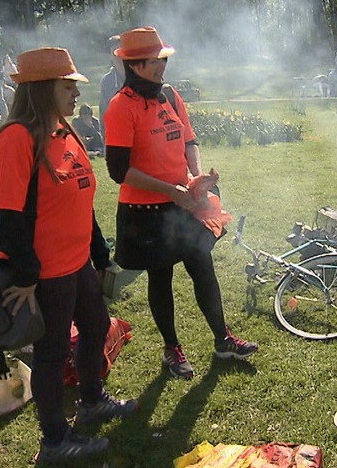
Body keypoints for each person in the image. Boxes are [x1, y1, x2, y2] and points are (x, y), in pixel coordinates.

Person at [0, 46, 137, 464]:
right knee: (51, 354)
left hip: (77, 264)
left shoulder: (65, 132)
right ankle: (54, 440)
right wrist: (28, 274)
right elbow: (7, 218)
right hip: (45, 273)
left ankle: (91, 401)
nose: (75, 93)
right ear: (41, 88)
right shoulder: (16, 139)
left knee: (97, 327)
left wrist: (98, 253)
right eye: (67, 85)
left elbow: (80, 200)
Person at [104, 26, 258, 380]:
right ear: (135, 64)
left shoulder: (170, 96)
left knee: (202, 264)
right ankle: (171, 348)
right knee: (161, 276)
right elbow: (119, 170)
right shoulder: (120, 107)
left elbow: (189, 140)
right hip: (145, 211)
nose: (162, 66)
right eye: (155, 61)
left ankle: (223, 340)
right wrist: (169, 189)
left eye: (163, 59)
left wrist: (195, 177)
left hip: (183, 202)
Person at [97, 35, 124, 137]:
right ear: (109, 55)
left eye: (121, 49)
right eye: (115, 51)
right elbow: (104, 116)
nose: (119, 54)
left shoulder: (137, 74)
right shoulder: (107, 82)